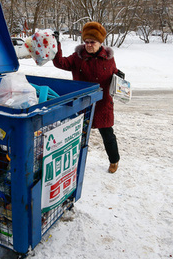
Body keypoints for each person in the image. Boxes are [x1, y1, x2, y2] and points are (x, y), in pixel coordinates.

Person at [52, 22, 123, 173]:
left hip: (103, 103)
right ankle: (74, 162)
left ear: (100, 43)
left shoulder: (108, 58)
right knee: (78, 134)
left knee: (108, 135)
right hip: (83, 103)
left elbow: (113, 71)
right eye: (86, 42)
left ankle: (114, 160)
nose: (89, 45)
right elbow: (60, 63)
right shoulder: (78, 57)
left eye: (92, 42)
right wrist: (56, 44)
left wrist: (119, 74)